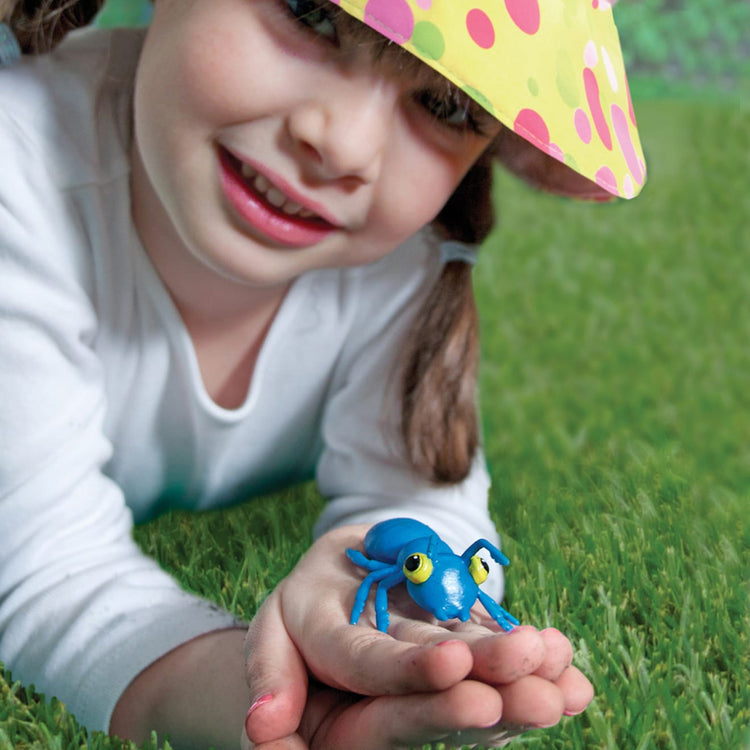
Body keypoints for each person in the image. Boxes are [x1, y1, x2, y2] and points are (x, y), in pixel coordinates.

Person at [0, 0, 645, 748]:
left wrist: (365, 650)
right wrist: (256, 695)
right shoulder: (19, 166)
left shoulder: (406, 259)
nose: (344, 145)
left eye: (445, 103)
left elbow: (418, 506)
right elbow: (43, 568)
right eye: (308, 13)